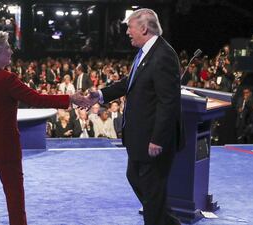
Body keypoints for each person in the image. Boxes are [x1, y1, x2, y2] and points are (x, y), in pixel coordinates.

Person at [0, 30, 87, 225]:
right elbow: (36, 99)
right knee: (14, 195)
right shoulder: (7, 79)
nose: (11, 51)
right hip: (4, 146)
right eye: (7, 47)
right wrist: (70, 98)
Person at [85, 8, 184, 225]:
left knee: (152, 193)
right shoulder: (147, 53)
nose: (127, 32)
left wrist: (158, 138)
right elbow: (129, 84)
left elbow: (168, 103)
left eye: (130, 27)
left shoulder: (163, 55)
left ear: (143, 28)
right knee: (137, 180)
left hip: (152, 140)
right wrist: (100, 94)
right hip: (139, 138)